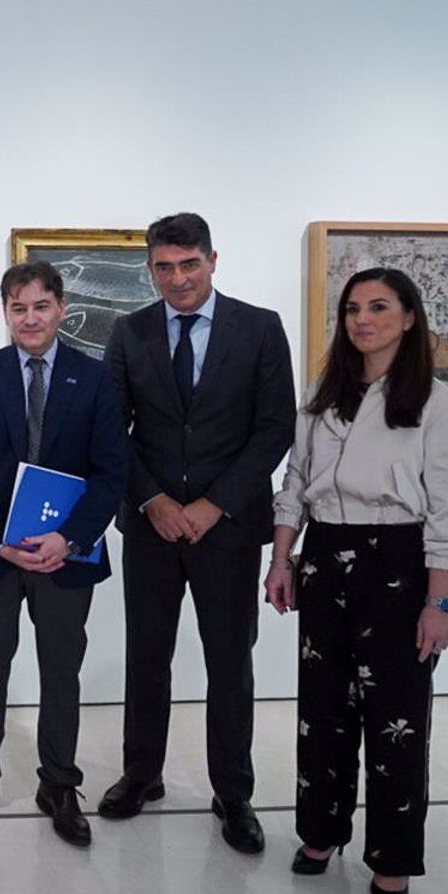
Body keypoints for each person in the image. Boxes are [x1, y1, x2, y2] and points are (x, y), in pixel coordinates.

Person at [265, 267, 448, 894]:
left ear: (409, 317)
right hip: (324, 557)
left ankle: (392, 858)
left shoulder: (436, 403)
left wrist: (439, 601)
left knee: (396, 722)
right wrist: (282, 558)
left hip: (398, 561)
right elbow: (295, 480)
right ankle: (321, 833)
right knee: (322, 712)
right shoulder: (321, 397)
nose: (363, 319)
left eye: (379, 307)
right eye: (354, 308)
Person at [100, 212, 296, 855]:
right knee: (146, 658)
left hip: (229, 529)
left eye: (189, 264)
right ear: (149, 268)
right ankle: (141, 774)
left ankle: (234, 793)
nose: (178, 278)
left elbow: (273, 430)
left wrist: (213, 504)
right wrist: (154, 499)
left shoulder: (260, 328)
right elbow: (112, 430)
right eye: (164, 266)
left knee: (229, 664)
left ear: (214, 260)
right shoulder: (128, 333)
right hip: (152, 527)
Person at [0, 261, 126, 847]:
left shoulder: (93, 379)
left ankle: (59, 784)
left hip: (65, 555)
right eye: (18, 308)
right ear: (5, 313)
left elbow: (111, 471)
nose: (30, 318)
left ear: (61, 309)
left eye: (41, 306)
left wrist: (68, 539)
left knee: (60, 670)